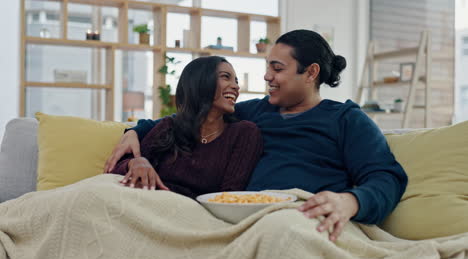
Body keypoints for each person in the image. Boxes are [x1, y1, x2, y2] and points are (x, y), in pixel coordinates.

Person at [104, 29, 408, 241]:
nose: (266, 77)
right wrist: (134, 132)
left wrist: (350, 202)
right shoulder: (253, 112)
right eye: (267, 67)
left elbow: (386, 177)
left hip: (301, 214)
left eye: (277, 68)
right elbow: (185, 119)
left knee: (284, 232)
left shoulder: (346, 119)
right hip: (243, 216)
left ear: (311, 73)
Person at [110, 56, 263, 199]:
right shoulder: (169, 127)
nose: (236, 86)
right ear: (201, 82)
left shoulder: (244, 133)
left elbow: (229, 198)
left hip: (192, 215)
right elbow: (115, 170)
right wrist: (135, 162)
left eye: (236, 81)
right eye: (225, 77)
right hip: (146, 201)